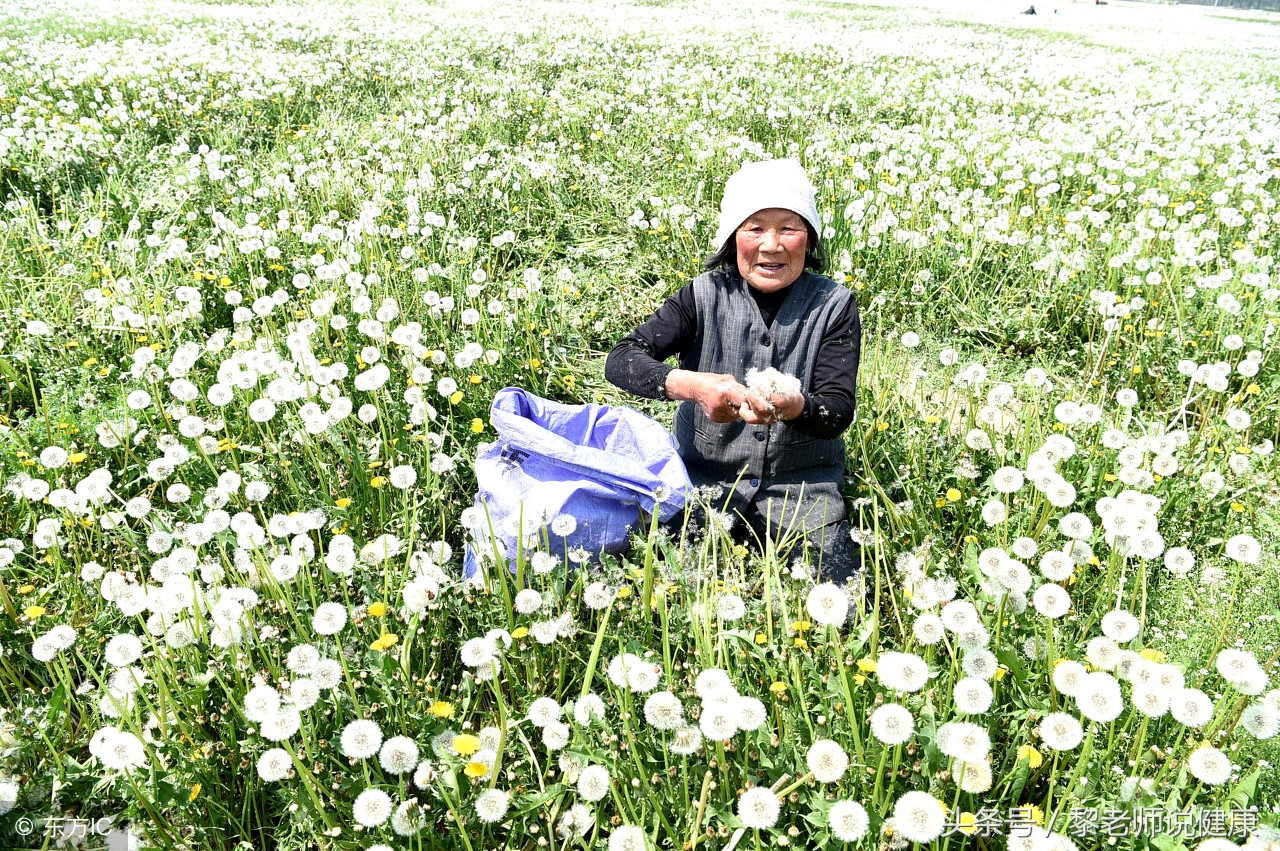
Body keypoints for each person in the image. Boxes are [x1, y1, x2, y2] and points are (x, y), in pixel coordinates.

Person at [605, 159, 862, 587]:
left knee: (844, 607)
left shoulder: (834, 305)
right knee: (666, 593)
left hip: (803, 491)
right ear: (732, 237)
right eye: (755, 227)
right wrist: (690, 385)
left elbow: (837, 410)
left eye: (789, 228)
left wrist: (795, 406)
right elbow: (622, 359)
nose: (772, 245)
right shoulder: (702, 294)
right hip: (705, 486)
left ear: (810, 240)